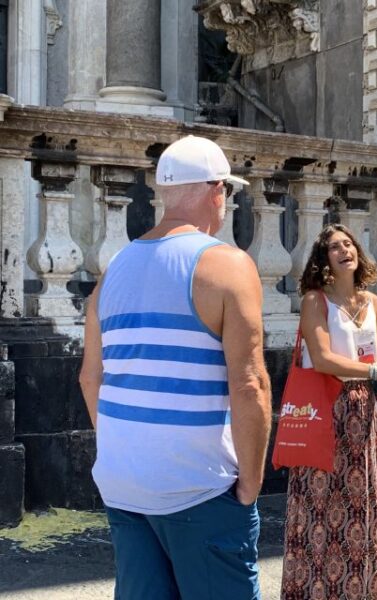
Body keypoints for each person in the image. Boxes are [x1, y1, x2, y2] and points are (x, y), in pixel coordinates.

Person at [79, 135, 272, 600]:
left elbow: (90, 376)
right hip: (198, 482)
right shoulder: (227, 265)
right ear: (215, 191)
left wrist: (125, 450)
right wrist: (251, 481)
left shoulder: (115, 267)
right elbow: (250, 384)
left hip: (123, 479)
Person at [280, 224, 377, 600]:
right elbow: (324, 359)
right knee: (320, 505)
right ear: (324, 260)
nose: (344, 250)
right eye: (334, 247)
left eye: (348, 244)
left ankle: (362, 589)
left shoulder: (371, 301)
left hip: (362, 413)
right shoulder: (315, 300)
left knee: (361, 503)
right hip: (326, 408)